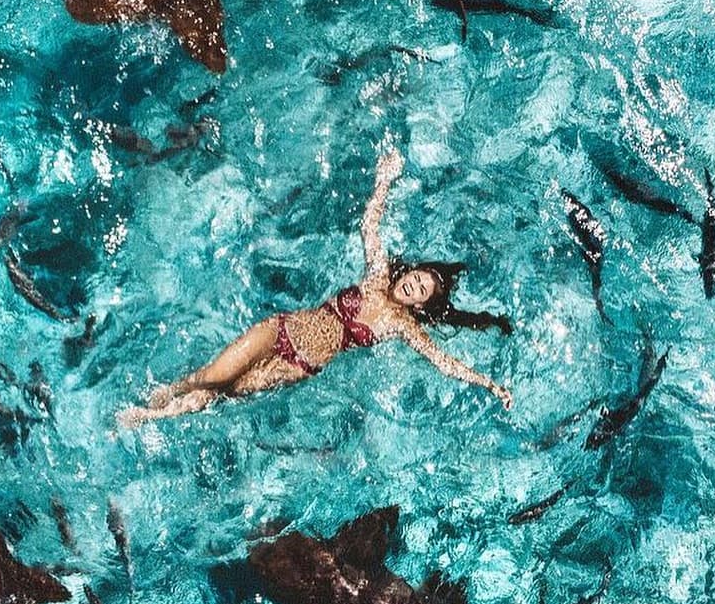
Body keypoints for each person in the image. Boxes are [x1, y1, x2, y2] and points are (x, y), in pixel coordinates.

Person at [120, 150, 515, 426]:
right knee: (214, 375)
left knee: (225, 391)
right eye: (417, 278)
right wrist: (384, 181)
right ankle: (170, 392)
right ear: (410, 272)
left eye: (422, 291)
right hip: (281, 330)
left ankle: (152, 416)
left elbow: (442, 360)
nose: (413, 285)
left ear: (422, 305)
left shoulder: (402, 325)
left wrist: (489, 384)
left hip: (298, 366)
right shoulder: (377, 276)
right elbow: (369, 226)